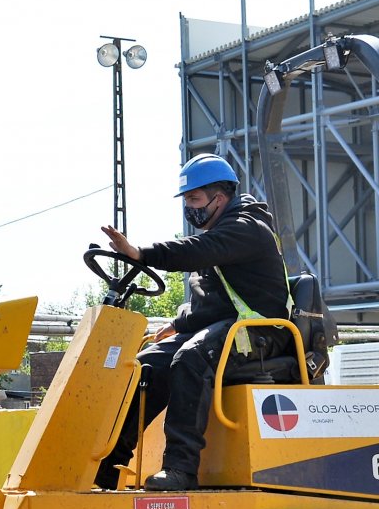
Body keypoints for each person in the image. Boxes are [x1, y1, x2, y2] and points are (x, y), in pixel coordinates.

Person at [96, 154, 289, 491]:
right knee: (144, 366)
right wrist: (179, 323)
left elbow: (194, 251)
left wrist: (142, 254)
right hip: (231, 327)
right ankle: (109, 465)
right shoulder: (219, 236)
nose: (190, 208)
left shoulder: (246, 229)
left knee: (190, 358)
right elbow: (211, 303)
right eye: (186, 200)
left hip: (260, 333)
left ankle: (181, 469)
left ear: (221, 196)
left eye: (195, 199)